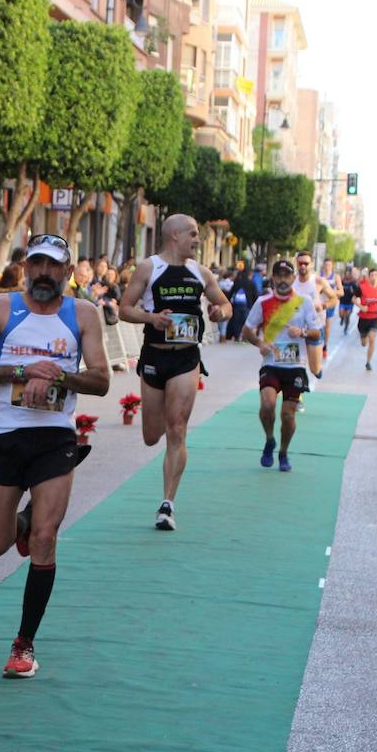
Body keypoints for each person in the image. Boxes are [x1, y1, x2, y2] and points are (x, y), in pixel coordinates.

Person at [0, 232, 110, 678]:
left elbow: (100, 380)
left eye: (52, 266)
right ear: (25, 267)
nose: (43, 273)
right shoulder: (2, 307)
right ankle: (19, 519)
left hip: (55, 439)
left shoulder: (83, 314)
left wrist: (61, 377)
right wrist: (22, 371)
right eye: (36, 264)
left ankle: (24, 644)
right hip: (5, 435)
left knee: (45, 538)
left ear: (66, 270)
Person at [118, 213, 231, 530]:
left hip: (186, 359)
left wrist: (219, 310)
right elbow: (125, 309)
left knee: (178, 429)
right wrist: (151, 319)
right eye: (193, 234)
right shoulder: (149, 268)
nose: (197, 239)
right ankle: (166, 476)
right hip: (155, 356)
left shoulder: (201, 271)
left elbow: (225, 305)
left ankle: (167, 504)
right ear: (175, 236)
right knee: (151, 435)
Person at [241, 260, 323, 472]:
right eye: (279, 275)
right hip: (271, 363)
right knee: (267, 405)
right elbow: (247, 331)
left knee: (288, 415)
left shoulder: (304, 302)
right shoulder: (263, 302)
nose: (283, 279)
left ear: (293, 278)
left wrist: (302, 332)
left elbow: (317, 332)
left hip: (296, 366)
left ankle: (284, 451)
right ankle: (269, 440)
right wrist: (260, 343)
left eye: (287, 275)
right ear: (273, 278)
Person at [292, 251, 337, 379]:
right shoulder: (291, 282)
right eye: (300, 263)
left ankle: (318, 370)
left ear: (311, 265)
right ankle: (295, 394)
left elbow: (334, 299)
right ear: (296, 263)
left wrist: (322, 306)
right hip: (296, 330)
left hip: (314, 329)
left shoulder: (318, 281)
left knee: (314, 369)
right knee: (295, 367)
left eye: (306, 263)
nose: (303, 266)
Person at [356, 266, 377, 370]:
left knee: (372, 339)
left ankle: (368, 362)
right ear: (369, 277)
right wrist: (361, 306)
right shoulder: (362, 287)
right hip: (363, 318)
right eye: (371, 275)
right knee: (364, 343)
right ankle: (364, 336)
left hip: (374, 318)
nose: (373, 277)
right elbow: (354, 298)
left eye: (375, 275)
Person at [320, 258, 344, 355]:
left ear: (332, 266)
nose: (327, 267)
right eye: (326, 265)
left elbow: (341, 292)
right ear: (323, 265)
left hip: (330, 303)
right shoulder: (319, 276)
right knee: (319, 325)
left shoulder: (335, 277)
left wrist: (329, 291)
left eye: (329, 265)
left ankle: (325, 346)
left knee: (327, 326)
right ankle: (318, 342)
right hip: (320, 302)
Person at [338, 266, 359, 334]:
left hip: (350, 303)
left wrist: (354, 294)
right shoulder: (342, 281)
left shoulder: (353, 282)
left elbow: (358, 292)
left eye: (348, 273)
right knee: (341, 314)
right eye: (346, 273)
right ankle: (342, 318)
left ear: (350, 274)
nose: (347, 274)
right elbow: (338, 289)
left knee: (347, 315)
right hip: (342, 301)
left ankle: (346, 328)